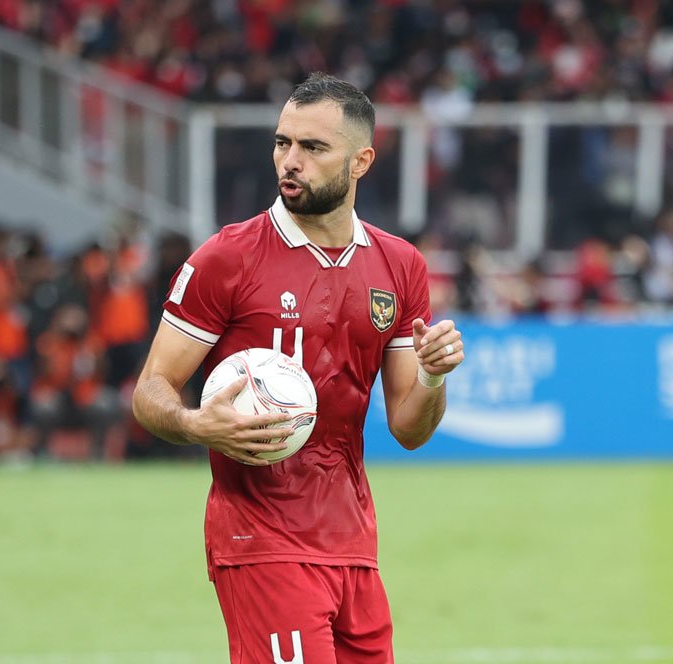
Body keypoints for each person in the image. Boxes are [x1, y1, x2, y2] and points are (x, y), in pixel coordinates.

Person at [132, 72, 465, 664]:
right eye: (283, 143)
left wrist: (434, 376)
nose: (291, 161)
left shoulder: (400, 266)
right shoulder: (226, 259)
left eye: (313, 148)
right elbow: (150, 390)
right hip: (259, 536)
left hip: (353, 542)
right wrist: (193, 425)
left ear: (360, 161)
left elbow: (409, 429)